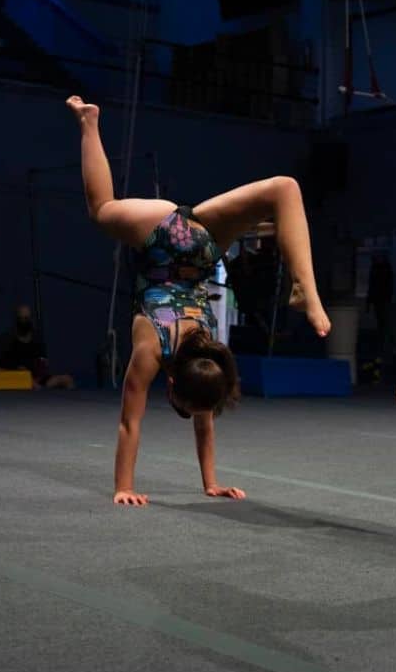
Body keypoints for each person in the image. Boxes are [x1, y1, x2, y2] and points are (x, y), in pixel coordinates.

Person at [67, 95, 331, 506]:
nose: (195, 418)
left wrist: (212, 484)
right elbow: (128, 423)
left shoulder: (208, 357)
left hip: (202, 247)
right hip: (160, 239)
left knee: (284, 189)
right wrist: (124, 486)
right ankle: (89, 122)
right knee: (101, 209)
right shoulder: (152, 350)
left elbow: (202, 419)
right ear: (169, 384)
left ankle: (305, 290)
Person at [0, 304, 76, 388]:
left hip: (37, 380)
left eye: (26, 318)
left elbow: (42, 366)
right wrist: (16, 374)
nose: (24, 321)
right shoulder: (5, 340)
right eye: (21, 318)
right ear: (16, 320)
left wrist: (37, 379)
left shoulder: (37, 340)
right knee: (24, 376)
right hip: (14, 379)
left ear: (31, 319)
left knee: (67, 379)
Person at [366, 253, 396, 355]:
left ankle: (386, 346)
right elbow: (372, 286)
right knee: (383, 324)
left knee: (384, 324)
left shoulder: (381, 270)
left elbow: (373, 286)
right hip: (381, 299)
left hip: (382, 299)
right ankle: (385, 346)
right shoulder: (383, 269)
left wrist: (368, 302)